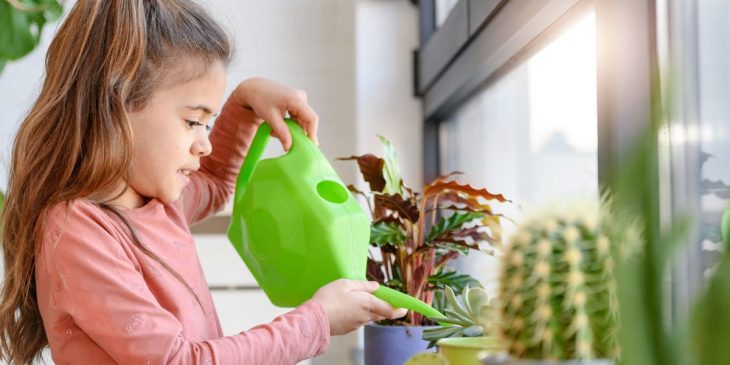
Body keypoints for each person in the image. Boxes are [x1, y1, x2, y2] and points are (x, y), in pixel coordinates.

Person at [0, 1, 406, 364]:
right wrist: (315, 323)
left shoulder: (156, 202)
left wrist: (245, 103)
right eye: (193, 121)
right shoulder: (78, 232)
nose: (206, 143)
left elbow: (215, 184)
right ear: (116, 105)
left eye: (208, 124)